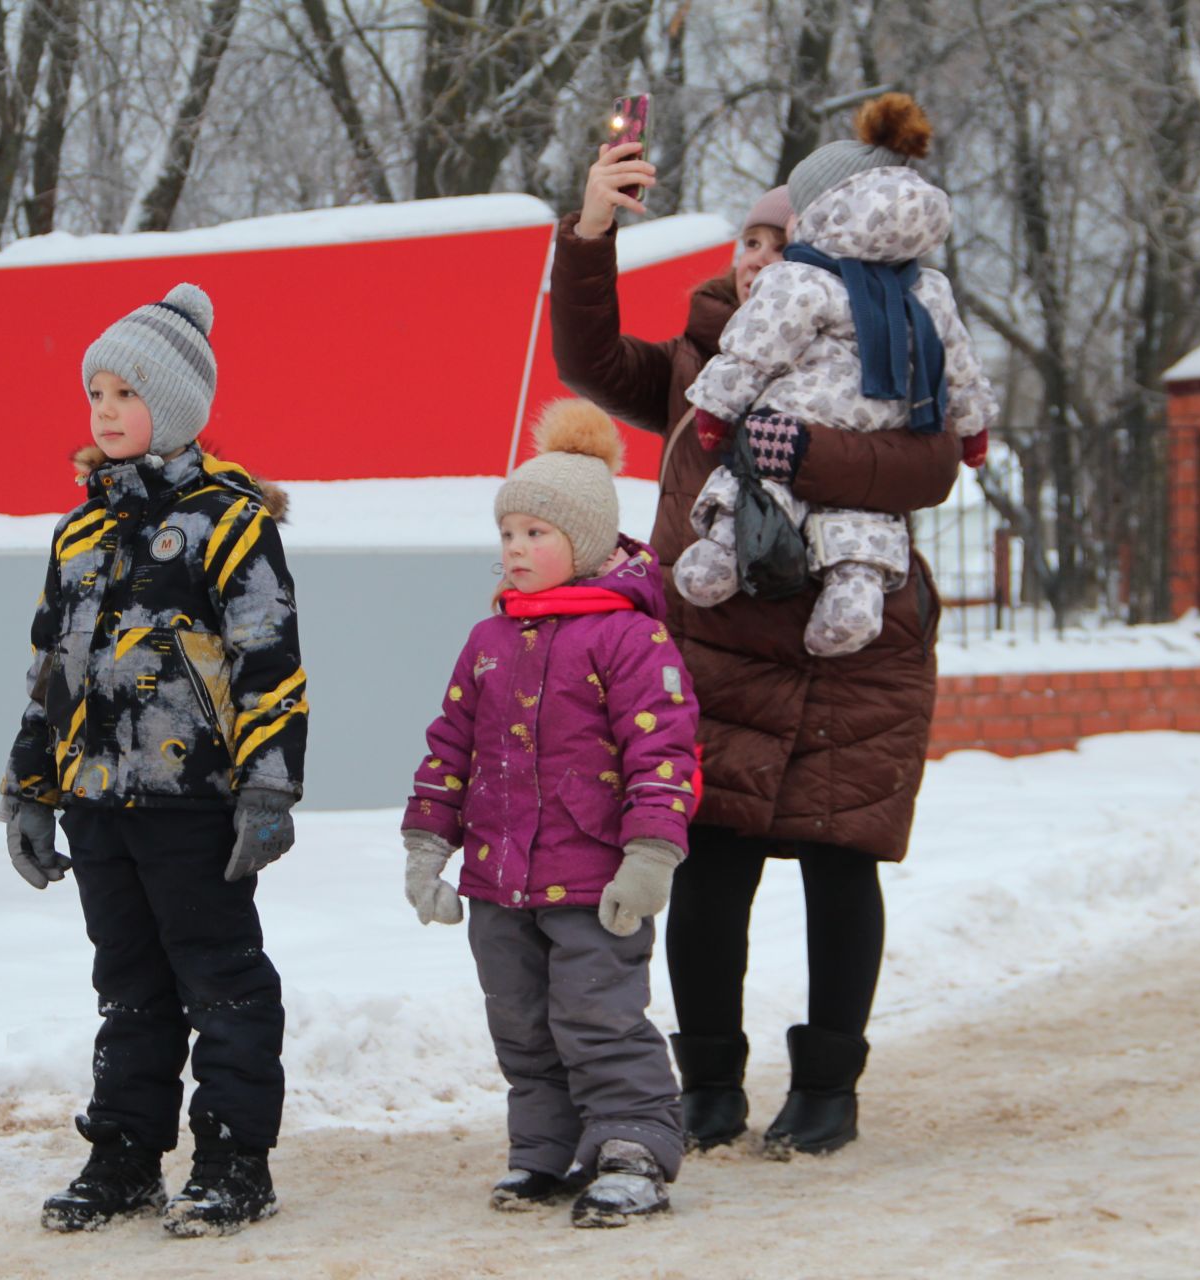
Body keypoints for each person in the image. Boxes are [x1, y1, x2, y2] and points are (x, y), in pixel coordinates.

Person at [550, 121, 962, 1158]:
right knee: (712, 864)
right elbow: (588, 357)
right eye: (749, 236)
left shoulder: (896, 337)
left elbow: (931, 469)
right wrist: (592, 229)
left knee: (839, 862)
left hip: (851, 644)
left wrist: (807, 449)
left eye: (782, 238)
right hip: (723, 644)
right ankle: (712, 1085)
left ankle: (829, 1085)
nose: (759, 253)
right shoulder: (702, 361)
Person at [0, 283, 309, 1234]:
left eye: (126, 394)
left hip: (193, 800)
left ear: (171, 408)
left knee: (219, 976)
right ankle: (125, 1155)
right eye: (97, 393)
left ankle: (232, 1160)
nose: (106, 411)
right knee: (127, 984)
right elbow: (53, 671)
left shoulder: (229, 520)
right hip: (99, 802)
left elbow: (270, 660)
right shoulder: (79, 533)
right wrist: (30, 790)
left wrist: (268, 786)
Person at [400, 398, 699, 1227]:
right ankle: (548, 1146)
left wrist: (649, 855)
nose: (517, 550)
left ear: (589, 542)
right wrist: (428, 848)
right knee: (524, 1028)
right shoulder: (489, 640)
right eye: (509, 533)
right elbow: (450, 748)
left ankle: (634, 1146)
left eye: (538, 533)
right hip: (501, 883)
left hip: (594, 880)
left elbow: (663, 754)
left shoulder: (629, 640)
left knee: (597, 1019)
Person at [681, 95, 995, 658]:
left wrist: (715, 410)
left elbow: (752, 353)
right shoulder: (928, 290)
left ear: (832, 207)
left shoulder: (801, 280)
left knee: (761, 484)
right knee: (861, 518)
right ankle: (852, 595)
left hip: (792, 427)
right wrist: (974, 429)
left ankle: (725, 553)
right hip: (879, 436)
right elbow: (961, 373)